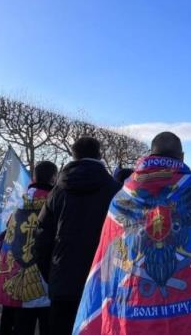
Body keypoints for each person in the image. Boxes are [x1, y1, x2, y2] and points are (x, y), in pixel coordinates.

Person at [72, 132, 191, 335]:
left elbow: (108, 259)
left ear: (150, 154)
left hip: (132, 314)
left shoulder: (121, 199)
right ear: (182, 156)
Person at [33, 137, 121, 335]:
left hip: (62, 277)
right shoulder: (115, 190)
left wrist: (51, 273)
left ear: (73, 155)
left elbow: (41, 238)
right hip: (103, 281)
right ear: (99, 155)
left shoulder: (57, 192)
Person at [0, 160, 58, 335]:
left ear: (34, 177)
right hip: (45, 273)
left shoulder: (18, 201)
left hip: (15, 273)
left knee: (16, 323)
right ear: (53, 178)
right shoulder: (56, 201)